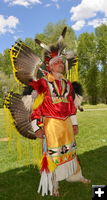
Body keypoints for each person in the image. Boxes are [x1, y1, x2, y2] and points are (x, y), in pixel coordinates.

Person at [29, 55, 91, 196]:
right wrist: (37, 127)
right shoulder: (43, 83)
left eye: (62, 62)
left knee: (71, 151)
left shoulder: (67, 84)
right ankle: (53, 184)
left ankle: (75, 176)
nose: (60, 64)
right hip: (51, 125)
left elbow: (71, 106)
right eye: (56, 62)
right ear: (50, 67)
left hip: (67, 124)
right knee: (54, 154)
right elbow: (36, 107)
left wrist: (74, 123)